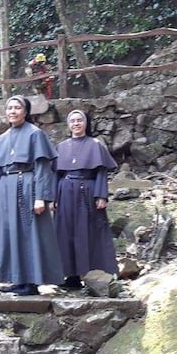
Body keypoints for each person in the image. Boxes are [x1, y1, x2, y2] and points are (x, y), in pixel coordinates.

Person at [0, 95, 63, 296]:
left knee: (30, 233)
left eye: (17, 107)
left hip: (27, 185)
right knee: (10, 233)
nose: (12, 111)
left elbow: (42, 167)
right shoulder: (2, 138)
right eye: (9, 108)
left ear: (25, 111)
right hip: (6, 188)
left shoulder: (35, 134)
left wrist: (41, 197)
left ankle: (31, 281)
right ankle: (16, 278)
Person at [54, 109, 119, 290]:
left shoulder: (95, 144)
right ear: (68, 125)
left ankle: (94, 274)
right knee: (66, 233)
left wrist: (101, 195)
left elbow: (101, 171)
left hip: (87, 192)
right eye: (72, 121)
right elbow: (56, 174)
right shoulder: (61, 147)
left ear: (85, 123)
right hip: (65, 191)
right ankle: (71, 276)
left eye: (79, 120)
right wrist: (53, 198)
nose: (76, 124)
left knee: (88, 232)